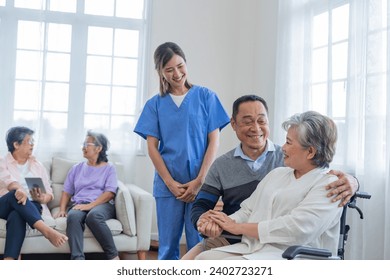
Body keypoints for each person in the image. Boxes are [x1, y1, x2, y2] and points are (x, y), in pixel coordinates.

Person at [182, 95, 358, 259]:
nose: (283, 147)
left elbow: (297, 228)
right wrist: (214, 222)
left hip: (289, 255)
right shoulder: (277, 173)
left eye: (289, 142)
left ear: (310, 152)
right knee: (202, 260)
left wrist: (354, 181)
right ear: (234, 124)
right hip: (243, 242)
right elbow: (246, 210)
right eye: (248, 121)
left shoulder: (330, 185)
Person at [134, 42, 230, 260]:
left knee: (199, 244)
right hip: (169, 186)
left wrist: (200, 180)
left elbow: (214, 140)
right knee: (167, 246)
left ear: (186, 63)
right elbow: (152, 147)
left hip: (202, 182)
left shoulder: (206, 96)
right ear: (160, 73)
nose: (177, 74)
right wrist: (170, 183)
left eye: (180, 66)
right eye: (169, 70)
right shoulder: (155, 105)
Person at [0, 126, 68, 260]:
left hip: (31, 205)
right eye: (29, 141)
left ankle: (9, 260)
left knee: (17, 215)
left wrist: (42, 198)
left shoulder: (38, 166)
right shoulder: (2, 162)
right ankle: (46, 231)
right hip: (4, 203)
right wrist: (19, 189)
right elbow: (8, 181)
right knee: (15, 195)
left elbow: (49, 193)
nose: (33, 144)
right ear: (16, 144)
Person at [55, 131, 119, 260]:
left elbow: (110, 193)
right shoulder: (76, 168)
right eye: (83, 144)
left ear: (99, 148)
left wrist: (91, 205)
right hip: (80, 203)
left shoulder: (109, 168)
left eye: (87, 144)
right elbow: (67, 191)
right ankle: (78, 258)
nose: (83, 147)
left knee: (94, 217)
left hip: (102, 204)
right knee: (73, 216)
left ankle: (113, 257)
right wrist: (62, 209)